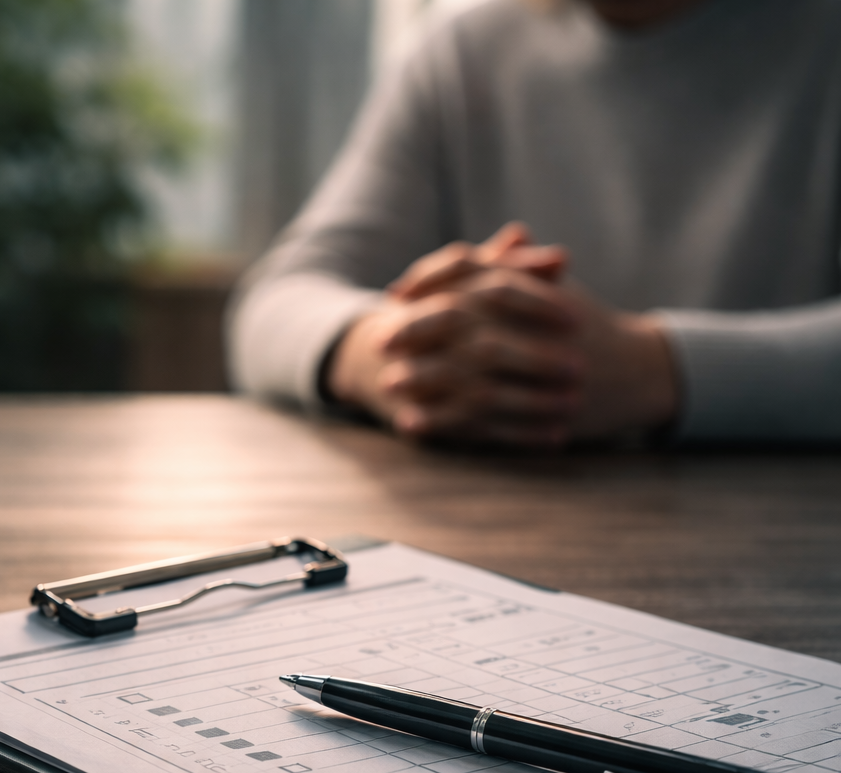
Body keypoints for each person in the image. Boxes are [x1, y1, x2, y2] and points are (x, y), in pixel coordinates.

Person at [227, 0, 841, 446]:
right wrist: (397, 354)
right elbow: (274, 300)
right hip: (502, 540)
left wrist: (659, 371)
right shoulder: (461, 53)